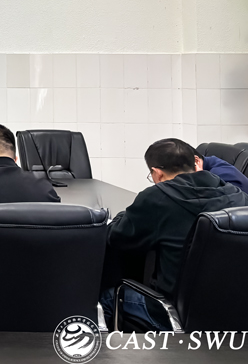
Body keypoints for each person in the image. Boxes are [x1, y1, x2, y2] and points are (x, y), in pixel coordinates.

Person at [102, 138, 248, 330]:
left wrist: (123, 215)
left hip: (173, 315)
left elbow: (116, 237)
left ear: (157, 173)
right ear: (195, 163)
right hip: (236, 314)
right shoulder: (237, 195)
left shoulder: (157, 198)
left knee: (106, 298)